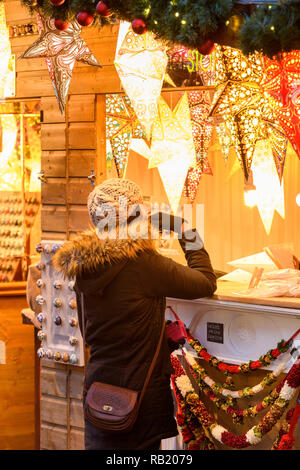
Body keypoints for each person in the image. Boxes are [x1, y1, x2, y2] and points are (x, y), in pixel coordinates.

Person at [53, 178, 216, 451]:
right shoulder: (144, 263)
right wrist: (183, 228)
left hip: (98, 389)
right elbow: (206, 281)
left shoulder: (83, 266)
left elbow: (91, 328)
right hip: (139, 394)